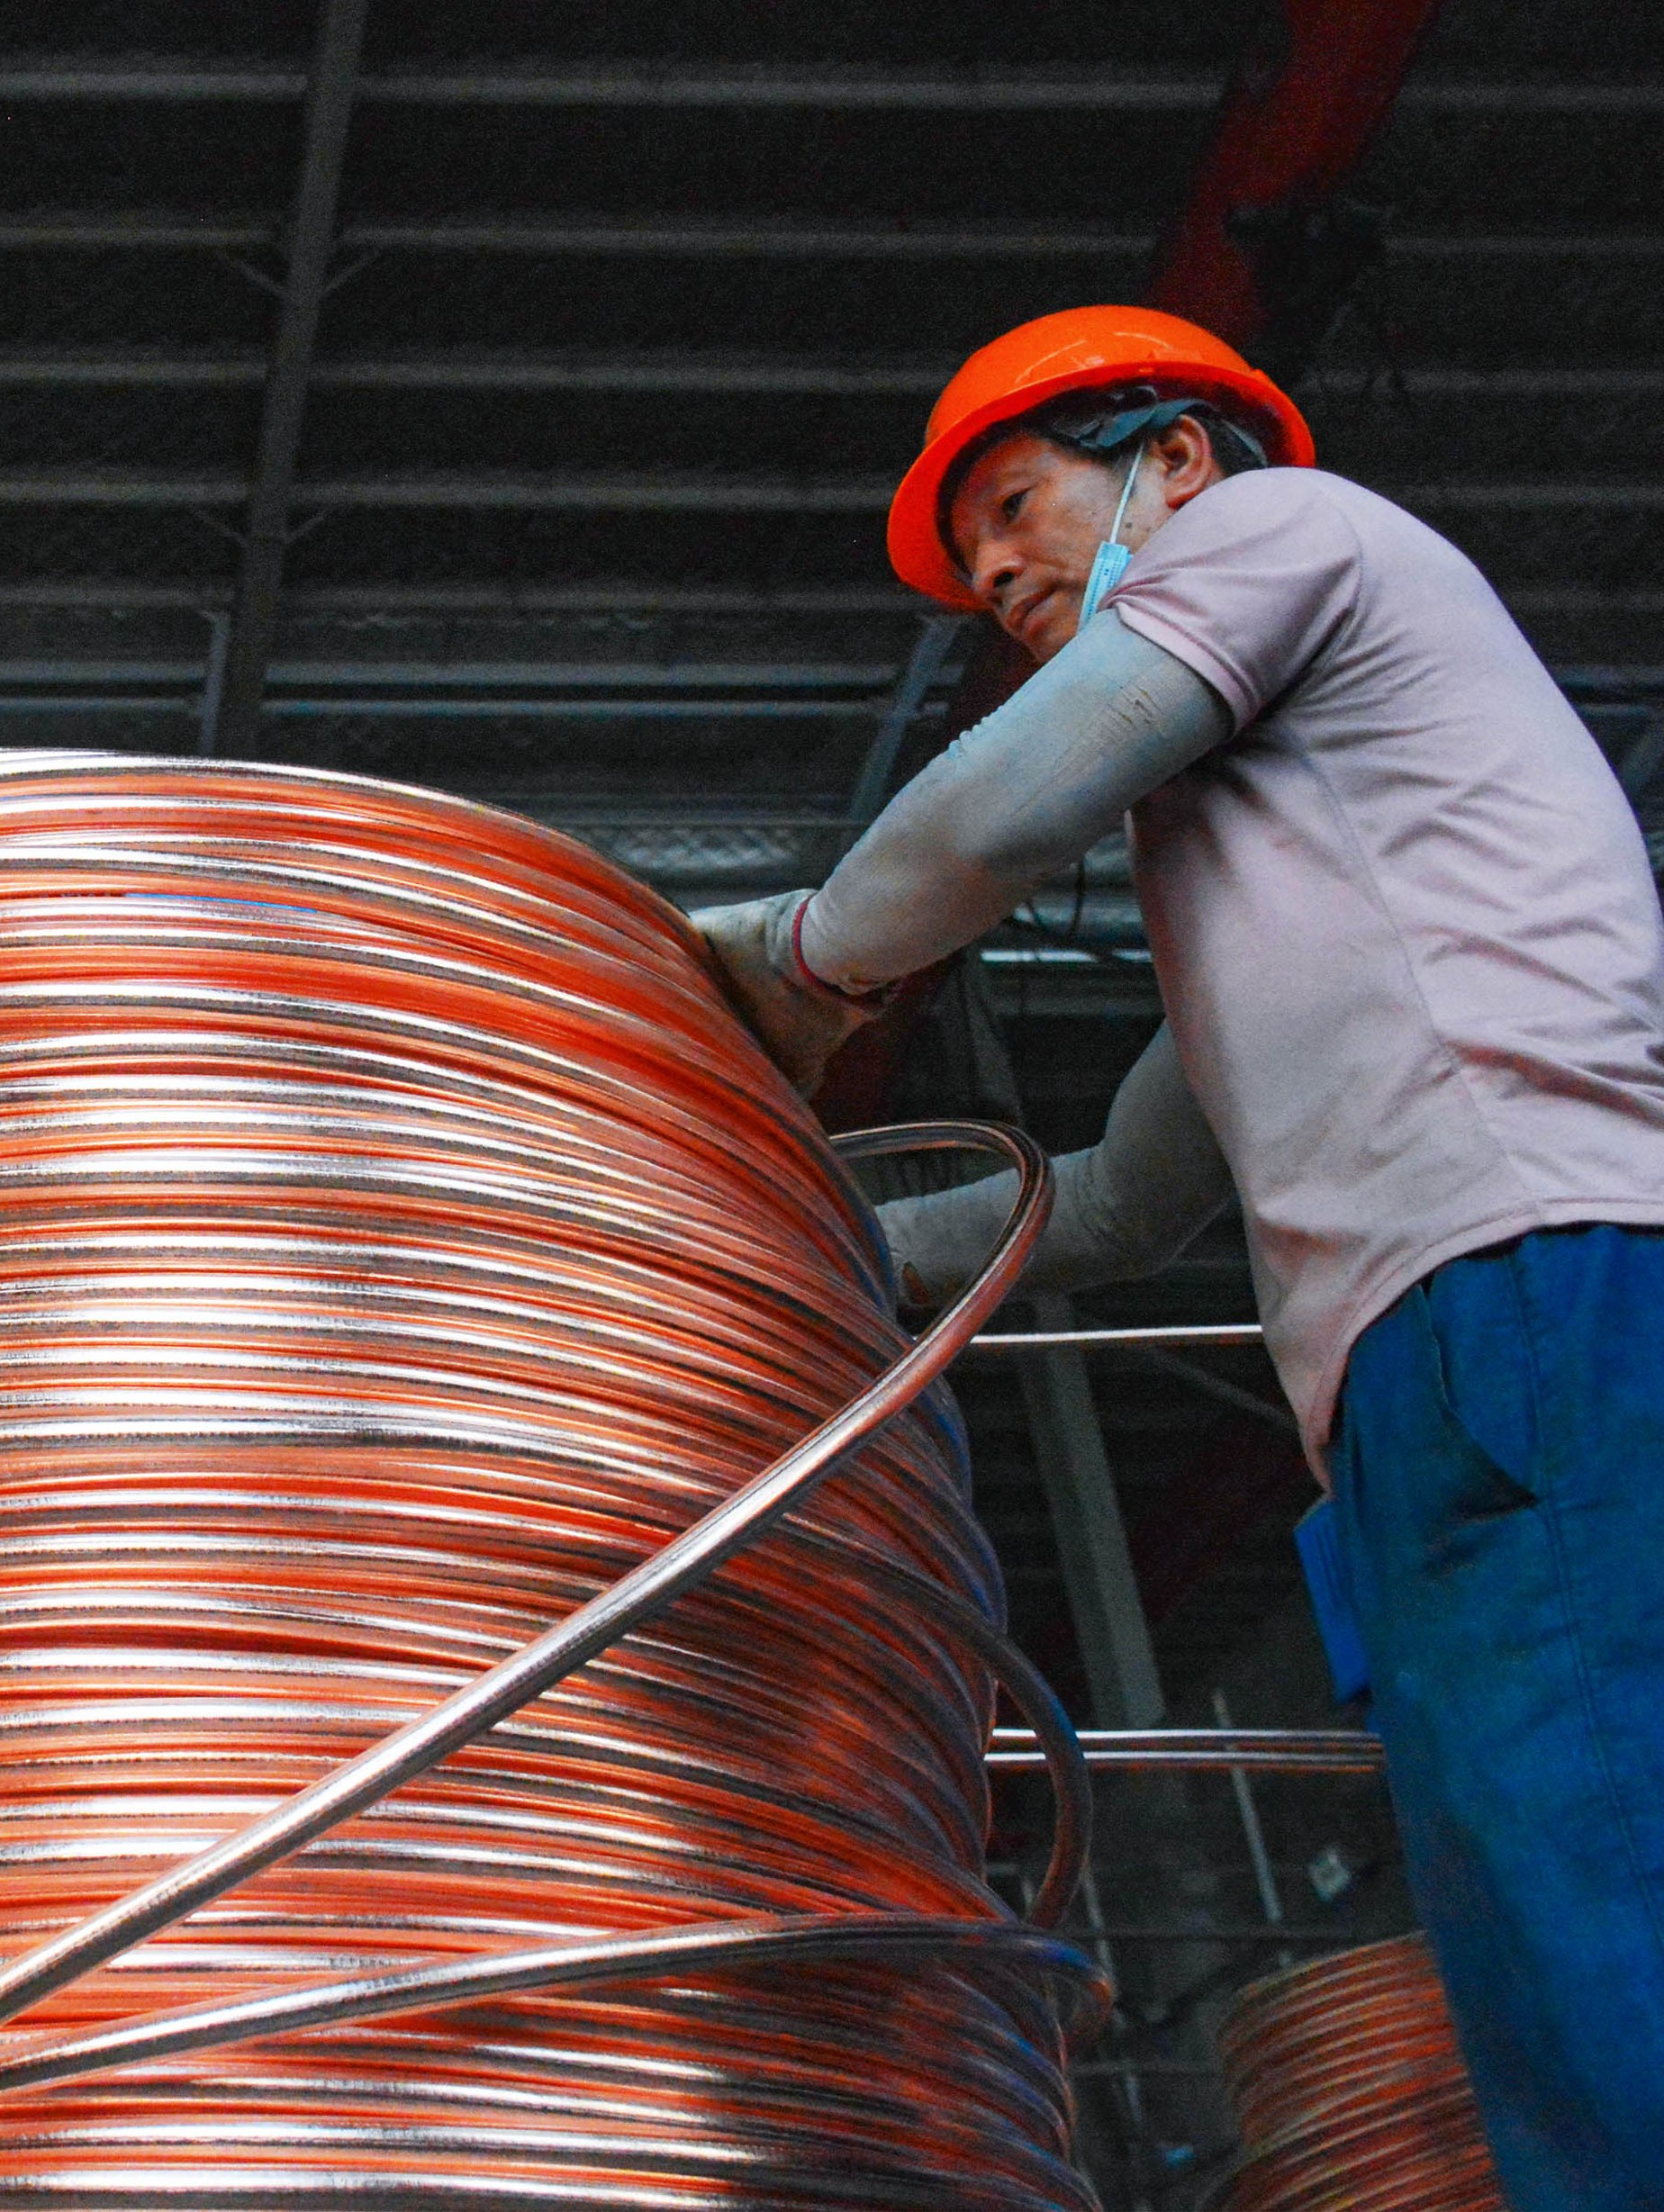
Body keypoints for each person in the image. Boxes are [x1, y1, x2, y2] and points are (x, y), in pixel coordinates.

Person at [691, 306, 1664, 2206]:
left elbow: (1000, 800)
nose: (986, 571)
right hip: (1428, 1373)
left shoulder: (1285, 534)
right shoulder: (1290, 844)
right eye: (973, 548)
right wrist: (798, 1249)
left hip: (1532, 1292)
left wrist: (797, 963)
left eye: (1013, 504)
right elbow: (1131, 1196)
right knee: (1546, 1952)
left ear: (1177, 463)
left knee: (1612, 1886)